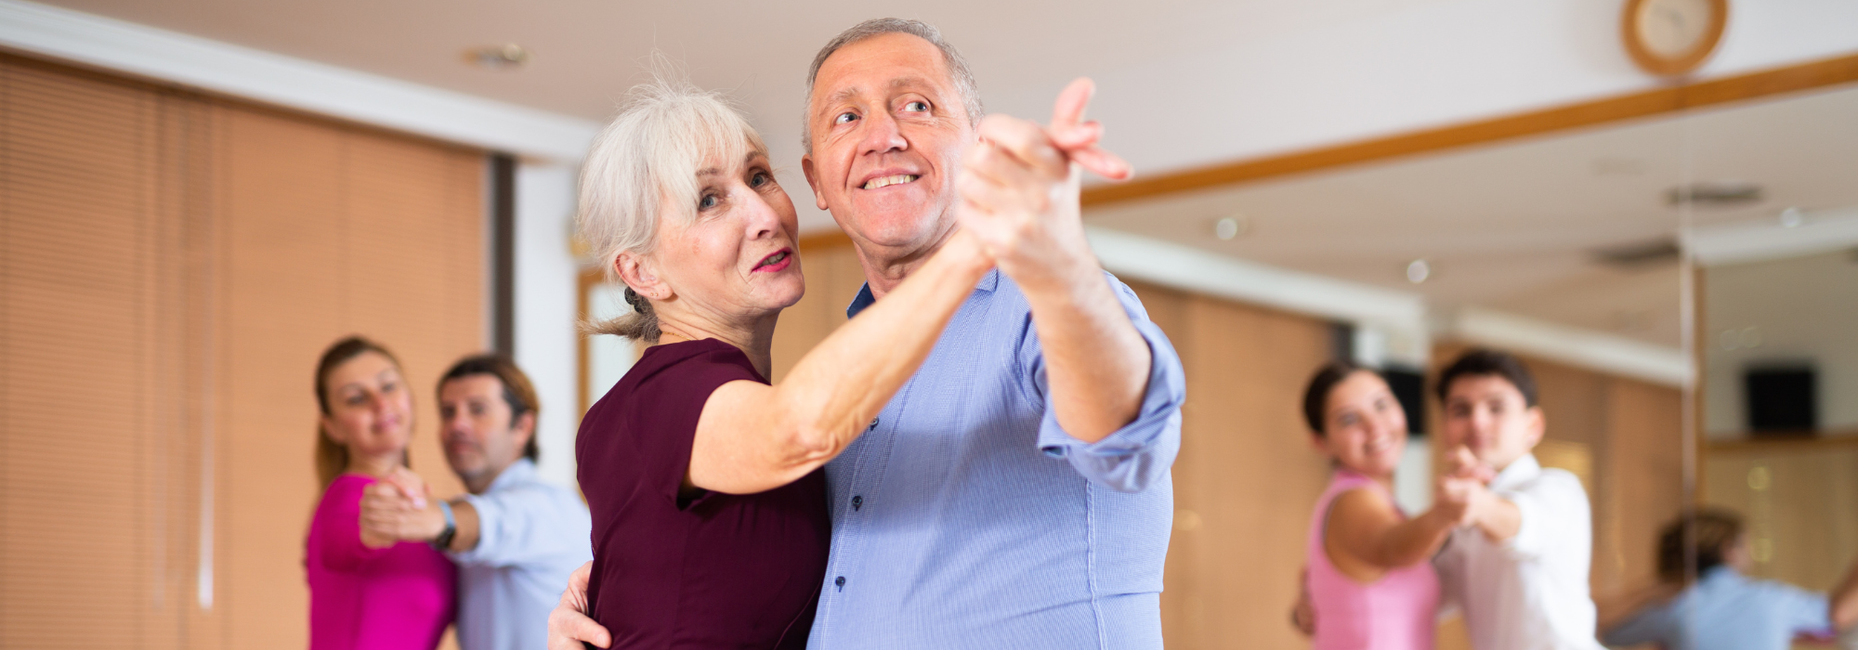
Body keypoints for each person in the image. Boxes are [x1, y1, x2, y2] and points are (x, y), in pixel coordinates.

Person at [550, 18, 1185, 649]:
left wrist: (1057, 261)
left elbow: (1125, 423)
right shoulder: (817, 387)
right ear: (819, 180)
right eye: (846, 119)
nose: (883, 137)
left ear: (980, 151)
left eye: (917, 105)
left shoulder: (1053, 304)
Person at [570, 73, 996, 649]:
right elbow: (801, 428)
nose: (765, 215)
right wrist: (979, 243)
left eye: (759, 177)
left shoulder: (713, 396)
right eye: (709, 200)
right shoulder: (663, 395)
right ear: (641, 272)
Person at [358, 354, 592, 650]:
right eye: (447, 412)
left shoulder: (551, 507)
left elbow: (489, 520)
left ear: (522, 426)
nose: (458, 424)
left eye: (478, 410)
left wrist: (436, 517)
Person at [1295, 362, 1487, 650]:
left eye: (1381, 404)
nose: (1375, 426)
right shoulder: (1352, 499)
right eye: (1349, 419)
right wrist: (1446, 510)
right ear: (1321, 443)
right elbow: (1391, 546)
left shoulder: (1381, 504)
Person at [1430, 348, 1604, 650]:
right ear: (1446, 428)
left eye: (1496, 408)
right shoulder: (1460, 522)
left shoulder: (1558, 488)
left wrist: (1477, 504)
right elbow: (1424, 595)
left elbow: (1521, 522)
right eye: (1461, 410)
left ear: (1532, 425)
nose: (1478, 422)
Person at [305, 336, 455, 650]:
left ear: (410, 398)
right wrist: (374, 525)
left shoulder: (424, 516)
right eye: (356, 398)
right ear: (333, 426)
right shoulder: (347, 496)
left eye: (388, 387)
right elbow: (342, 540)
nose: (381, 403)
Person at [1599, 508, 1858, 650]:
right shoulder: (1773, 599)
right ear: (1729, 550)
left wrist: (1647, 591)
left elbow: (1602, 631)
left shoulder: (1670, 608)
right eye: (1747, 543)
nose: (1752, 551)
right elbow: (1837, 616)